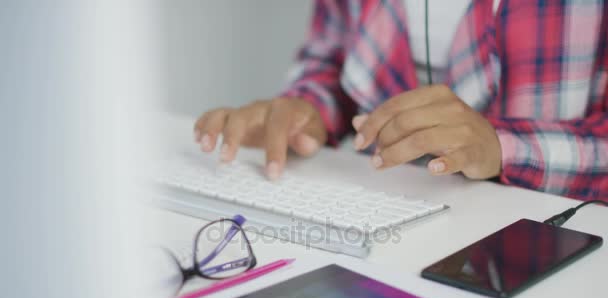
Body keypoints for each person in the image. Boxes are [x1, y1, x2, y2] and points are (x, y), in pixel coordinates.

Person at [194, 0, 608, 201]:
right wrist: (311, 109)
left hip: (552, 243)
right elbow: (331, 57)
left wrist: (503, 147)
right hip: (386, 208)